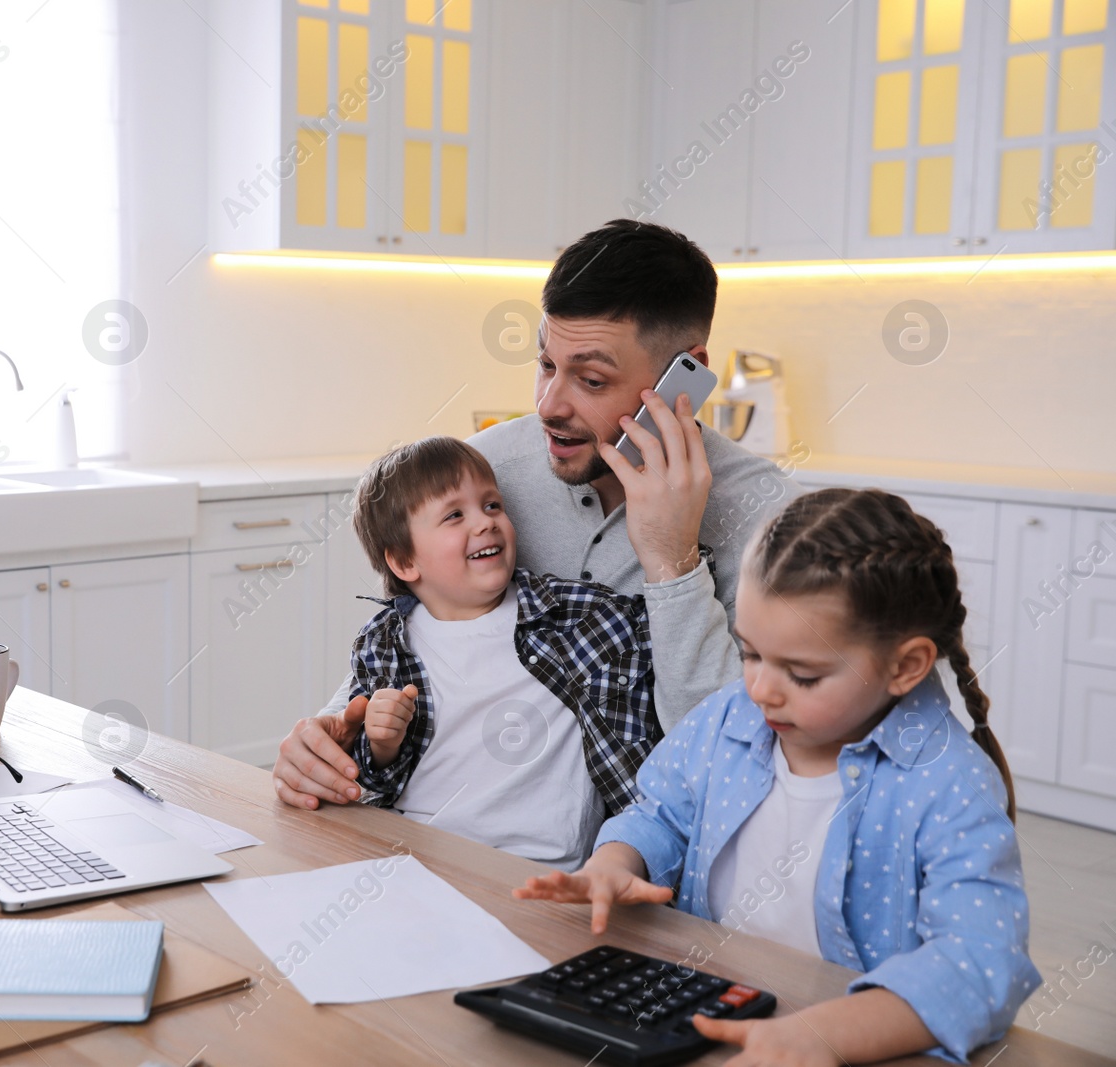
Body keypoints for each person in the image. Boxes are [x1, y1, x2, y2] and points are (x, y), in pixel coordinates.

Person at [274, 219, 799, 812]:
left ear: (688, 372)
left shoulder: (767, 520)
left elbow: (736, 757)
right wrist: (329, 733)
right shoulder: (488, 472)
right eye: (546, 365)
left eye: (592, 379)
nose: (550, 406)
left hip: (652, 871)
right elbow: (413, 639)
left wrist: (673, 563)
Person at [515, 488, 1040, 1065]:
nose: (761, 688)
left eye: (803, 674)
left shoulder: (951, 785)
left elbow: (979, 965)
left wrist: (822, 1036)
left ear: (905, 666)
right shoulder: (729, 716)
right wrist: (614, 866)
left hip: (849, 1040)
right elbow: (659, 814)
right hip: (710, 1011)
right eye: (750, 653)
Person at [345, 435, 657, 869]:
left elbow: (665, 627)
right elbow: (371, 779)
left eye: (492, 505)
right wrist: (381, 744)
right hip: (416, 857)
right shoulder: (384, 643)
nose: (485, 522)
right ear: (403, 562)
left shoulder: (578, 617)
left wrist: (674, 549)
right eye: (455, 515)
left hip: (543, 868)